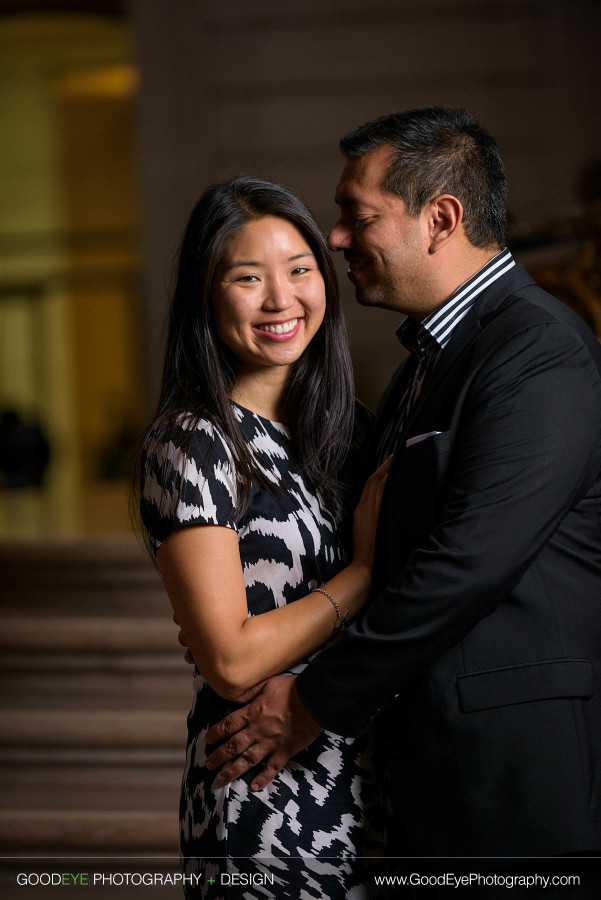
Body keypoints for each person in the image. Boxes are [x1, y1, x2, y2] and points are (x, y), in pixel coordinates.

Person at [202, 109, 601, 877]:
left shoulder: (538, 351)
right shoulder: (432, 354)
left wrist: (315, 699)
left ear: (439, 219)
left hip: (514, 777)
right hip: (430, 769)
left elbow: (467, 562)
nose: (338, 239)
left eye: (358, 217)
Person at [136, 176, 390, 899]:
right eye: (248, 278)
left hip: (372, 785)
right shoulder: (194, 441)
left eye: (299, 270)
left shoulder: (351, 433)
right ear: (206, 295)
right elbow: (231, 660)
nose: (282, 300)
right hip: (265, 802)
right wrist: (366, 570)